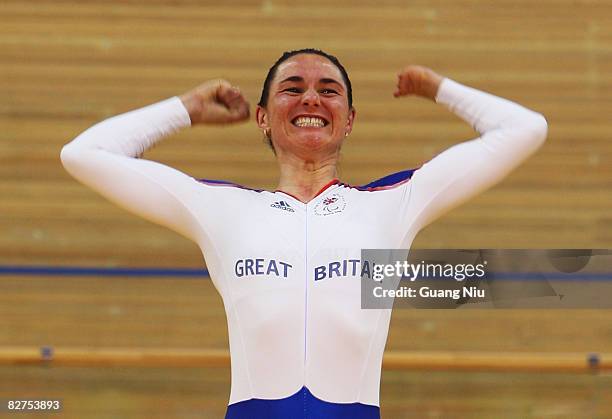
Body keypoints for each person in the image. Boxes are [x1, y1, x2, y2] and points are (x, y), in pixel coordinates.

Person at [60, 48, 547, 419]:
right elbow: (84, 155)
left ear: (349, 120)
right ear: (263, 118)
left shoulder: (395, 202)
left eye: (329, 90)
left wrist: (439, 88)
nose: (311, 97)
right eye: (292, 88)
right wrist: (185, 108)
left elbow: (525, 128)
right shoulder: (219, 208)